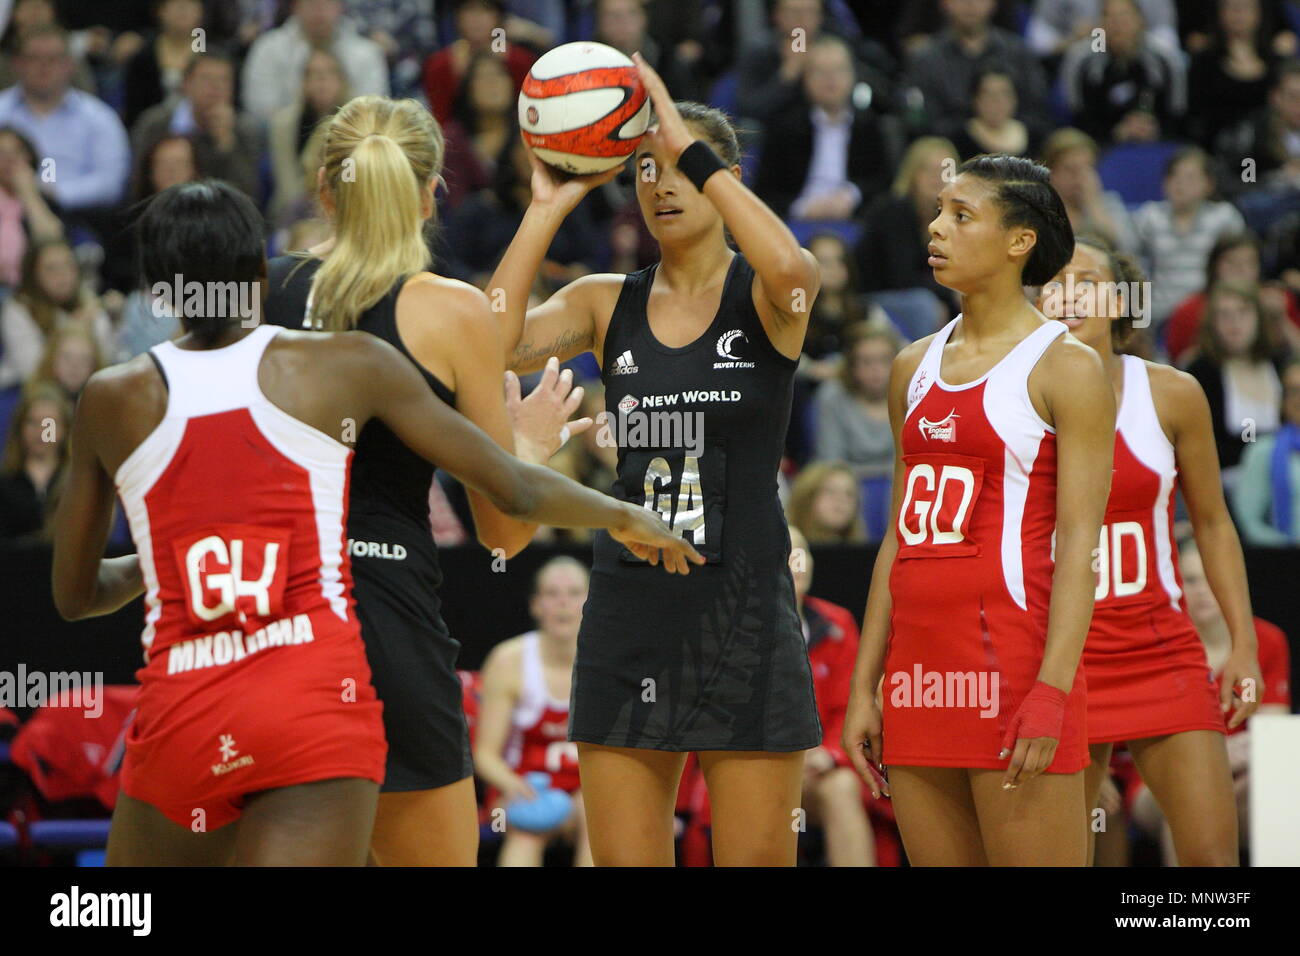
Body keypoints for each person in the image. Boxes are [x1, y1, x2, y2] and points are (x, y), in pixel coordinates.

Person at [48, 179, 701, 866]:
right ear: (263, 273)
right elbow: (513, 491)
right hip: (310, 701)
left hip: (183, 705)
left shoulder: (109, 398)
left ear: (158, 286)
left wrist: (169, 562)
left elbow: (76, 595)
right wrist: (624, 513)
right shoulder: (343, 367)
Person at [488, 55, 824, 866]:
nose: (661, 184)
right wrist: (543, 211)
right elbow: (488, 345)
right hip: (630, 613)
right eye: (645, 168)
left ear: (722, 177)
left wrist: (690, 149)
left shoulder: (768, 300)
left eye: (679, 167)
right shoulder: (607, 300)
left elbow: (798, 272)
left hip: (745, 611)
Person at [264, 94, 610, 866]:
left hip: (267, 621)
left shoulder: (259, 293)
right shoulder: (452, 313)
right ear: (429, 192)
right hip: (384, 625)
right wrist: (527, 445)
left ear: (324, 187)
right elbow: (505, 530)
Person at [842, 154, 1116, 866]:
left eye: (961, 215)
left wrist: (1054, 688)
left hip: (1015, 665)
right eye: (938, 212)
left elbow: (1085, 545)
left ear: (1019, 241)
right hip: (919, 671)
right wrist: (865, 685)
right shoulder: (911, 365)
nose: (936, 228)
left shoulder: (1067, 367)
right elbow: (897, 540)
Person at [1038, 233, 1264, 866]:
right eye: (1052, 284)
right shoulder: (1013, 402)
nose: (1068, 295)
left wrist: (1242, 642)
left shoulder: (1171, 393)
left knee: (1211, 866)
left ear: (1122, 300)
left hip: (1156, 647)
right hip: (1057, 657)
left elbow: (1214, 526)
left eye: (1087, 281)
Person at [1128, 537, 1291, 864]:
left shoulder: (1267, 640)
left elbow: (1273, 737)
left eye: (1210, 578)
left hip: (1243, 778)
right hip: (1158, 782)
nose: (1202, 590)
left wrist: (1228, 764)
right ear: (1173, 583)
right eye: (1190, 579)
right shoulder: (1155, 646)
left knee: (1283, 783)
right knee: (1192, 795)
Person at [474, 556, 593, 866]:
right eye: (552, 594)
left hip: (587, 789)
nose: (563, 603)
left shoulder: (609, 663)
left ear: (592, 603)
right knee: (528, 829)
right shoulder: (508, 660)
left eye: (574, 593)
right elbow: (484, 754)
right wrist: (517, 788)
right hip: (524, 786)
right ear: (536, 605)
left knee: (597, 816)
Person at [788, 525, 876, 866]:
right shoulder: (738, 629)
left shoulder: (837, 623)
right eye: (785, 553)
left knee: (841, 787)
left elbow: (851, 707)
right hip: (764, 764)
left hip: (820, 769)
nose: (796, 562)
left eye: (802, 552)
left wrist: (831, 754)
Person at [753, 32, 890, 222]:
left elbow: (883, 184)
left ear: (853, 75)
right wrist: (800, 208)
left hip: (854, 221)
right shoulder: (784, 127)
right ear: (806, 78)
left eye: (838, 70)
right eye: (821, 72)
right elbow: (765, 192)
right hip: (795, 222)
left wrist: (852, 195)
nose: (830, 80)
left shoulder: (869, 124)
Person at [0, 24, 130, 212]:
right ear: (17, 64)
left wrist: (56, 194)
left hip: (77, 215)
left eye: (53, 59)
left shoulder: (99, 117)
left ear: (70, 65)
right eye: (33, 58)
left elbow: (111, 183)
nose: (43, 66)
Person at [1133, 148, 1247, 328]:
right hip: (1161, 315)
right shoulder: (1149, 217)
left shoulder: (1224, 218)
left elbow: (1241, 268)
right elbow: (1130, 265)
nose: (1180, 184)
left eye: (1190, 178)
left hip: (1210, 314)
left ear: (1208, 184)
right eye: (1173, 176)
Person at [1184, 279, 1289, 475]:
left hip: (1283, 474)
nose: (1234, 322)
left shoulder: (1280, 362)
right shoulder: (1201, 372)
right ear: (1211, 322)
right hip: (1226, 478)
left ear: (1259, 317)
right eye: (1224, 314)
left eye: (1243, 312)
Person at [131, 52, 262, 202]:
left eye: (224, 80)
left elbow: (248, 196)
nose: (216, 88)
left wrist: (226, 144)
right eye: (206, 79)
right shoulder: (155, 124)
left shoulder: (244, 129)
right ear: (186, 83)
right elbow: (137, 186)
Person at [1059, 0, 1186, 146]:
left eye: (1124, 17)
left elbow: (1178, 113)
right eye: (1109, 17)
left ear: (1141, 21)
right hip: (1098, 146)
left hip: (1159, 144)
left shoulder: (1165, 60)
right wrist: (1115, 132)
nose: (1117, 25)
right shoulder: (1082, 61)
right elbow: (1076, 116)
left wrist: (1156, 130)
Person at [240, 0, 388, 119]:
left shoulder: (367, 52)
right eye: (311, 3)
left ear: (341, 7)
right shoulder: (268, 47)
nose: (320, 12)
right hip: (283, 136)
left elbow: (373, 109)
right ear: (295, 6)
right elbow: (260, 107)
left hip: (349, 136)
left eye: (326, 3)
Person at [0, 238, 113, 389]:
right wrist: (73, 328)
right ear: (33, 274)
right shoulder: (18, 309)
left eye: (68, 265)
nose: (62, 275)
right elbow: (31, 371)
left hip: (84, 391)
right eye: (51, 268)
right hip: (24, 392)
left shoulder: (88, 301)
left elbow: (107, 362)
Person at [812, 322, 898, 482]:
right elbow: (830, 463)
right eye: (866, 362)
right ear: (852, 366)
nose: (876, 369)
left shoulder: (909, 395)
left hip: (897, 486)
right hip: (844, 488)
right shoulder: (832, 397)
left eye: (884, 360)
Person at [1233, 358, 1300, 544]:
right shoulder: (1262, 450)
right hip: (1284, 562)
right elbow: (1249, 521)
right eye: (1293, 391)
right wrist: (1288, 549)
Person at [1040, 127, 1137, 255]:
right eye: (1071, 170)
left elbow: (1126, 251)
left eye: (1087, 168)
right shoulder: (1037, 207)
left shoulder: (1108, 203)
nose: (1081, 178)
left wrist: (1094, 204)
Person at [0, 378, 67, 538]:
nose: (41, 432)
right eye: (32, 422)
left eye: (48, 424)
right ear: (20, 427)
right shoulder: (5, 481)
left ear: (65, 428)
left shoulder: (79, 482)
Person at [120, 0, 204, 128]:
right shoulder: (143, 55)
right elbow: (135, 109)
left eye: (190, 5)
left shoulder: (207, 53)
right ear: (160, 11)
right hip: (153, 128)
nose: (184, 11)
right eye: (178, 6)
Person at [0, 125, 62, 287]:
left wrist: (29, 194)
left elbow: (51, 241)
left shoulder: (44, 199)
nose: (9, 159)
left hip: (32, 288)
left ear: (29, 157)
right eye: (2, 153)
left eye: (17, 152)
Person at [949, 65, 1040, 161]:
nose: (997, 101)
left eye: (1004, 93)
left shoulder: (1034, 136)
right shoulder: (958, 140)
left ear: (1015, 98)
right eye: (988, 94)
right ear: (975, 99)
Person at [786, 460, 868, 544]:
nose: (842, 499)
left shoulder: (866, 552)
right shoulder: (787, 549)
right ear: (806, 498)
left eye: (849, 494)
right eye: (830, 491)